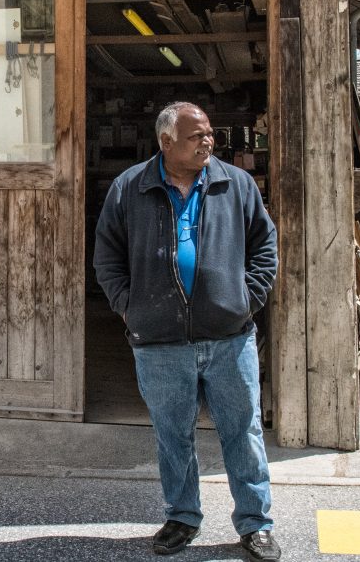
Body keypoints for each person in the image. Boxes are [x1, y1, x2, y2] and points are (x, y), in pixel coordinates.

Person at [93, 101, 280, 559]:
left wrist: (245, 301)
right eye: (197, 136)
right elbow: (106, 257)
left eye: (209, 134)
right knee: (173, 435)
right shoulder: (129, 188)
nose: (208, 142)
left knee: (244, 431)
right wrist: (129, 308)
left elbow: (265, 246)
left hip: (229, 337)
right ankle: (181, 517)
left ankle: (255, 524)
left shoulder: (233, 184)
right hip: (158, 342)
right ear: (166, 141)